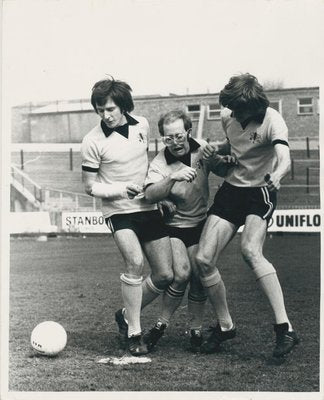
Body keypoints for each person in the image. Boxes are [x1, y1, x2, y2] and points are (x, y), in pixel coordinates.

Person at [195, 73, 299, 357]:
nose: (233, 114)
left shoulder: (272, 120)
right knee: (203, 260)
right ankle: (226, 326)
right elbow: (236, 146)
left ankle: (285, 328)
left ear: (255, 106)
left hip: (260, 190)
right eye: (231, 108)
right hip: (232, 190)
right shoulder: (228, 115)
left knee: (250, 250)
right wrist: (216, 152)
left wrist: (278, 174)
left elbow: (284, 156)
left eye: (239, 109)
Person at [81, 77, 174, 356]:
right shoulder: (91, 141)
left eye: (110, 109)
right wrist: (122, 189)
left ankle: (124, 314)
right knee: (134, 262)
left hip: (147, 207)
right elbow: (90, 186)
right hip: (118, 211)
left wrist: (161, 194)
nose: (106, 115)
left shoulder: (143, 125)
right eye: (100, 110)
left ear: (124, 106)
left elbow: (149, 165)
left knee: (165, 274)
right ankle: (134, 332)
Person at [143, 110, 237, 352]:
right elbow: (150, 194)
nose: (174, 142)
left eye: (178, 136)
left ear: (188, 132)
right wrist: (173, 178)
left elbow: (221, 170)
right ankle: (160, 326)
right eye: (168, 138)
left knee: (198, 276)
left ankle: (195, 330)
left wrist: (222, 160)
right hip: (173, 227)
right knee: (181, 273)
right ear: (162, 138)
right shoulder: (159, 163)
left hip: (200, 224)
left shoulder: (202, 147)